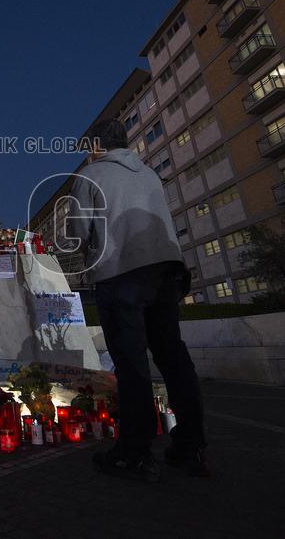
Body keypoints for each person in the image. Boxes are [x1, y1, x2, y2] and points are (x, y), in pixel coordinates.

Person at [67, 119, 208, 482]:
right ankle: (190, 446)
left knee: (131, 365)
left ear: (96, 146)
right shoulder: (148, 174)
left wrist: (79, 254)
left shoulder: (91, 175)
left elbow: (80, 231)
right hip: (165, 271)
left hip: (121, 272)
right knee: (173, 358)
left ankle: (135, 451)